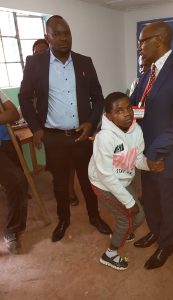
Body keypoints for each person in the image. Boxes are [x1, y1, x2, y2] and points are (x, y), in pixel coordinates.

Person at [19, 15, 111, 243]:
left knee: (89, 181)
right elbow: (24, 97)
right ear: (47, 37)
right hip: (54, 137)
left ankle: (94, 216)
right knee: (60, 185)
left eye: (67, 33)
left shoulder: (84, 62)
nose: (63, 39)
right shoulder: (35, 63)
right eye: (57, 34)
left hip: (81, 135)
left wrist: (91, 123)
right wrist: (36, 128)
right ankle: (63, 220)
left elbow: (98, 98)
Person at [130, 21, 173, 269]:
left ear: (158, 39)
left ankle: (167, 244)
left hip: (166, 155)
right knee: (149, 198)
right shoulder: (147, 73)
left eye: (142, 41)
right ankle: (155, 232)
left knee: (168, 202)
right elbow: (137, 108)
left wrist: (154, 152)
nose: (139, 47)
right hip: (146, 153)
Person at [88, 92, 149, 270]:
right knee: (126, 219)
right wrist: (129, 201)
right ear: (108, 116)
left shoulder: (136, 129)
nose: (127, 113)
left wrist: (149, 164)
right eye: (119, 111)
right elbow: (106, 175)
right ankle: (110, 254)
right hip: (102, 183)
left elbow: (137, 159)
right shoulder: (105, 137)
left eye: (129, 107)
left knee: (139, 216)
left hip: (121, 181)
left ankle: (124, 233)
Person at [33, 38, 80, 207]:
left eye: (42, 51)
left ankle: (70, 190)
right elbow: (27, 102)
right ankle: (61, 189)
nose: (40, 54)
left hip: (68, 128)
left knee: (71, 164)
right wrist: (36, 129)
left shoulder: (64, 70)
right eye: (36, 52)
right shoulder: (34, 73)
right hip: (48, 131)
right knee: (56, 165)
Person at [0, 89, 28, 254]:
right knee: (17, 181)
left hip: (9, 142)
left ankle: (16, 196)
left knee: (20, 184)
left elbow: (13, 115)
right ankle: (12, 230)